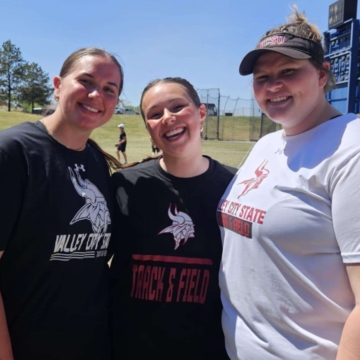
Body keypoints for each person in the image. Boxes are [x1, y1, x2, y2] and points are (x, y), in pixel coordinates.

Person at [218, 6, 360, 360]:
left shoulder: (350, 149)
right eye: (262, 77)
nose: (273, 85)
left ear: (322, 75)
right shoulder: (269, 143)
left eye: (289, 71)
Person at [0, 47, 123, 360]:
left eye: (110, 89)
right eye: (86, 81)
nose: (97, 94)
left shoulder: (95, 160)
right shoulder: (13, 152)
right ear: (57, 86)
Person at [110, 77, 236, 360]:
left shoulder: (236, 186)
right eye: (155, 114)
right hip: (132, 347)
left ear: (201, 113)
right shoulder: (125, 185)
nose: (168, 118)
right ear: (148, 128)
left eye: (178, 107)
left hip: (209, 349)